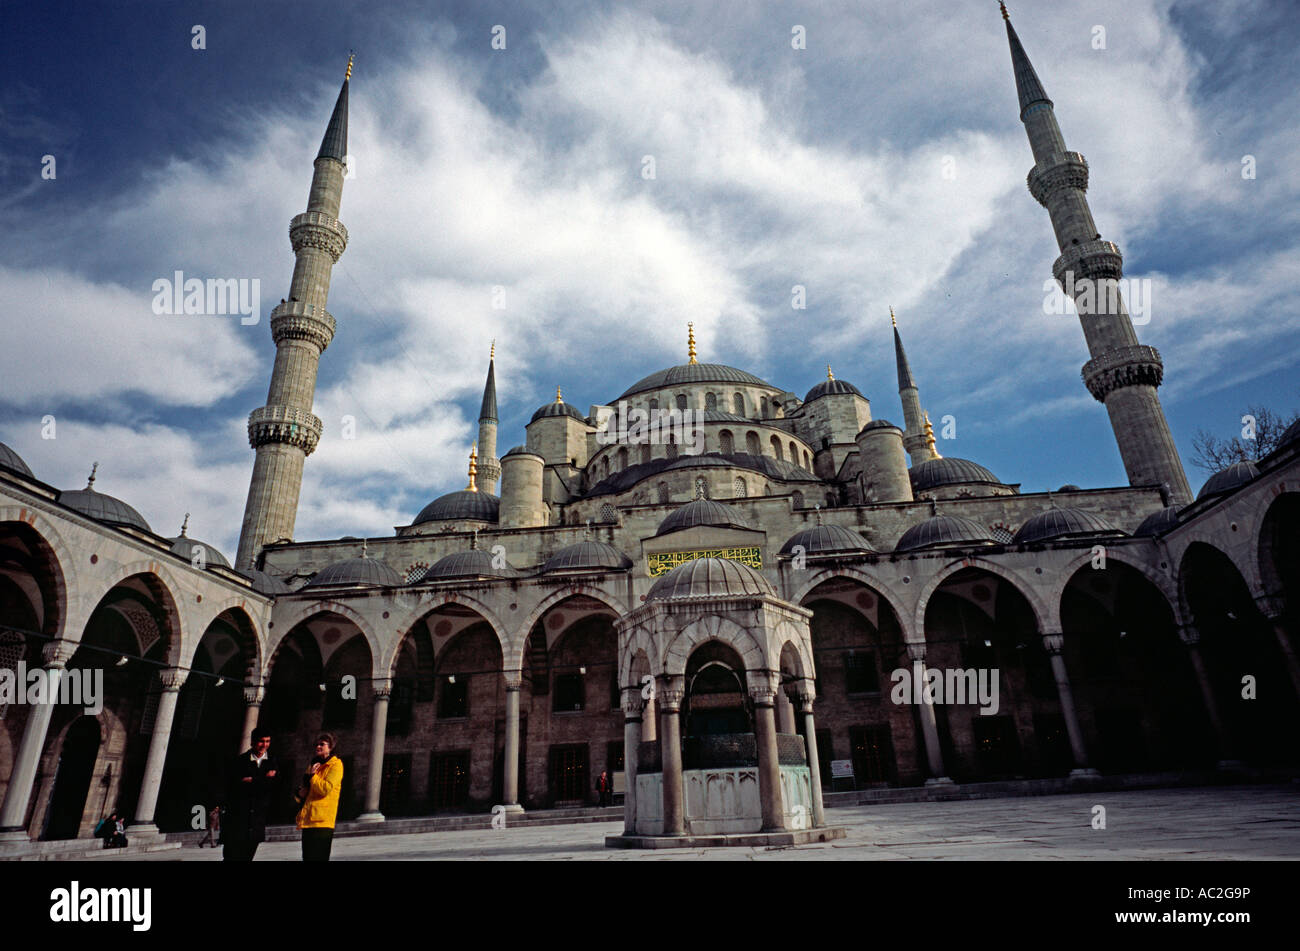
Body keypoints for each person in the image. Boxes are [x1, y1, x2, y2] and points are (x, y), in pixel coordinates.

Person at [223, 728, 278, 861]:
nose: (264, 745)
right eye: (261, 741)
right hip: (238, 819)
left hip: (257, 820)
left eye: (268, 741)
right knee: (231, 856)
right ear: (252, 742)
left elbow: (273, 787)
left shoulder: (273, 762)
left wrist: (252, 779)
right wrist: (264, 778)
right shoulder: (239, 761)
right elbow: (235, 786)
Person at [296, 733, 342, 862]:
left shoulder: (336, 765)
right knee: (307, 858)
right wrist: (299, 793)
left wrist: (313, 777)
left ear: (331, 747)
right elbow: (304, 788)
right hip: (308, 820)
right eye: (316, 744)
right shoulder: (313, 764)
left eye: (322, 744)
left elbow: (325, 789)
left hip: (323, 821)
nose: (318, 746)